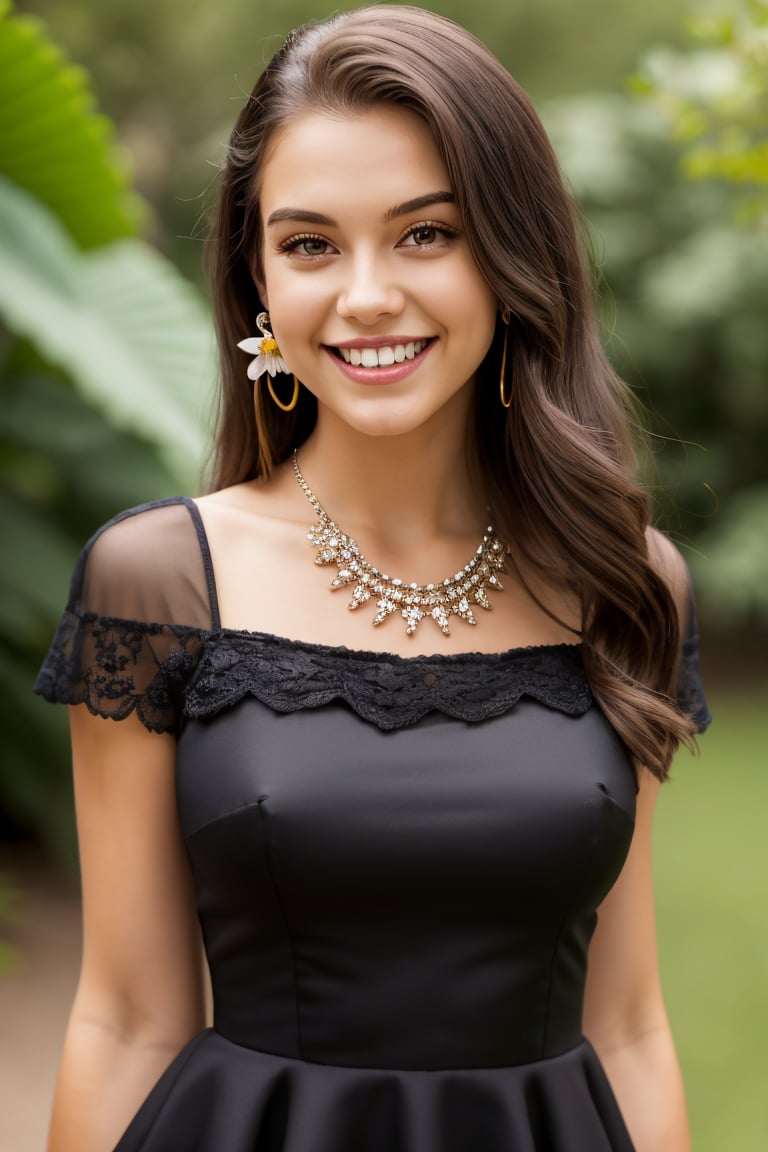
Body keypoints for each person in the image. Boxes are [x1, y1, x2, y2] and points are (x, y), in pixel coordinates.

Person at [35, 6, 711, 1151]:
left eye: (425, 234)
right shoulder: (158, 580)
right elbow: (126, 1019)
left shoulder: (624, 581)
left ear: (512, 255)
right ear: (256, 280)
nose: (364, 297)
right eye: (309, 245)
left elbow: (633, 1024)